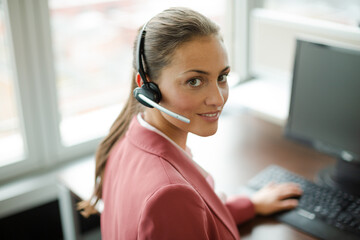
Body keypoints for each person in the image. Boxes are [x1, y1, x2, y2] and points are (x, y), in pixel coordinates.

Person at [79, 7, 303, 240]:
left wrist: (250, 205)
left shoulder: (127, 138)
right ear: (148, 87)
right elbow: (174, 212)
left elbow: (184, 222)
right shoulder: (171, 194)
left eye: (222, 77)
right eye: (194, 81)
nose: (217, 99)